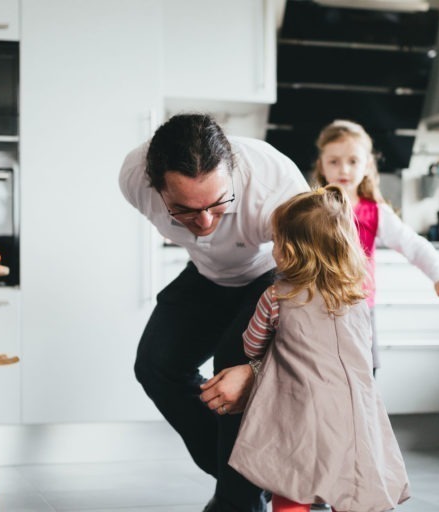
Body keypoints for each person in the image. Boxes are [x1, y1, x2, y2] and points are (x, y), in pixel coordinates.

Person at [119, 113, 309, 511]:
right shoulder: (134, 180)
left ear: (233, 176)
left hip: (273, 276)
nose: (204, 222)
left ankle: (237, 500)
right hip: (208, 275)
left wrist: (253, 369)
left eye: (217, 203)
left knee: (231, 365)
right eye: (185, 210)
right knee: (155, 364)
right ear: (157, 188)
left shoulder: (276, 187)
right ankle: (248, 478)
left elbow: (310, 287)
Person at [227, 185, 411, 512]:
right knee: (352, 484)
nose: (273, 250)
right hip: (354, 410)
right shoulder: (357, 301)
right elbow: (362, 350)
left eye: (278, 242)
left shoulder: (277, 297)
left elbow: (252, 345)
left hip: (299, 410)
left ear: (295, 252)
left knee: (293, 482)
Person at [312, 120, 439, 372]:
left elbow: (413, 245)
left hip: (360, 309)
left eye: (353, 161)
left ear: (368, 165)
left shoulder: (376, 212)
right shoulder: (311, 209)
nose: (343, 169)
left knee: (365, 373)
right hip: (315, 310)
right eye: (334, 161)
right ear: (322, 165)